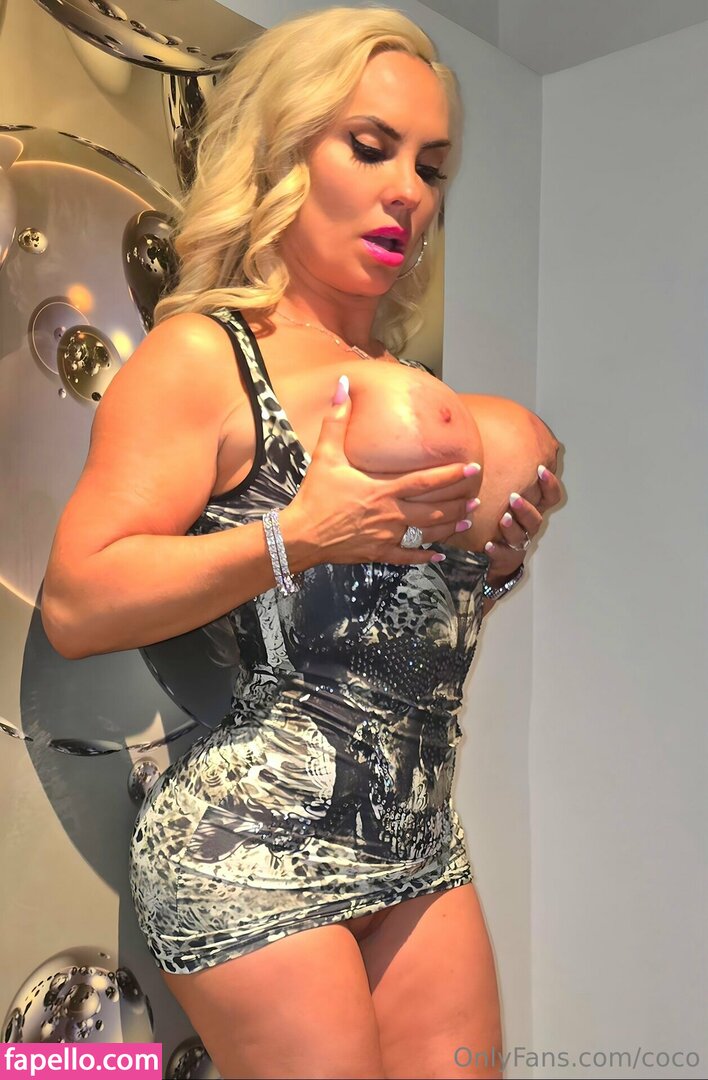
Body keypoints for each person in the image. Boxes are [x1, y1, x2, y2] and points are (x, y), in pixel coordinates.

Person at [40, 7, 562, 1079]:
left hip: (416, 838)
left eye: (430, 166)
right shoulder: (203, 356)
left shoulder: (411, 389)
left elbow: (374, 627)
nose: (409, 191)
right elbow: (79, 602)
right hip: (249, 844)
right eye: (370, 147)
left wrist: (489, 566)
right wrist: (302, 533)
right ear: (281, 153)